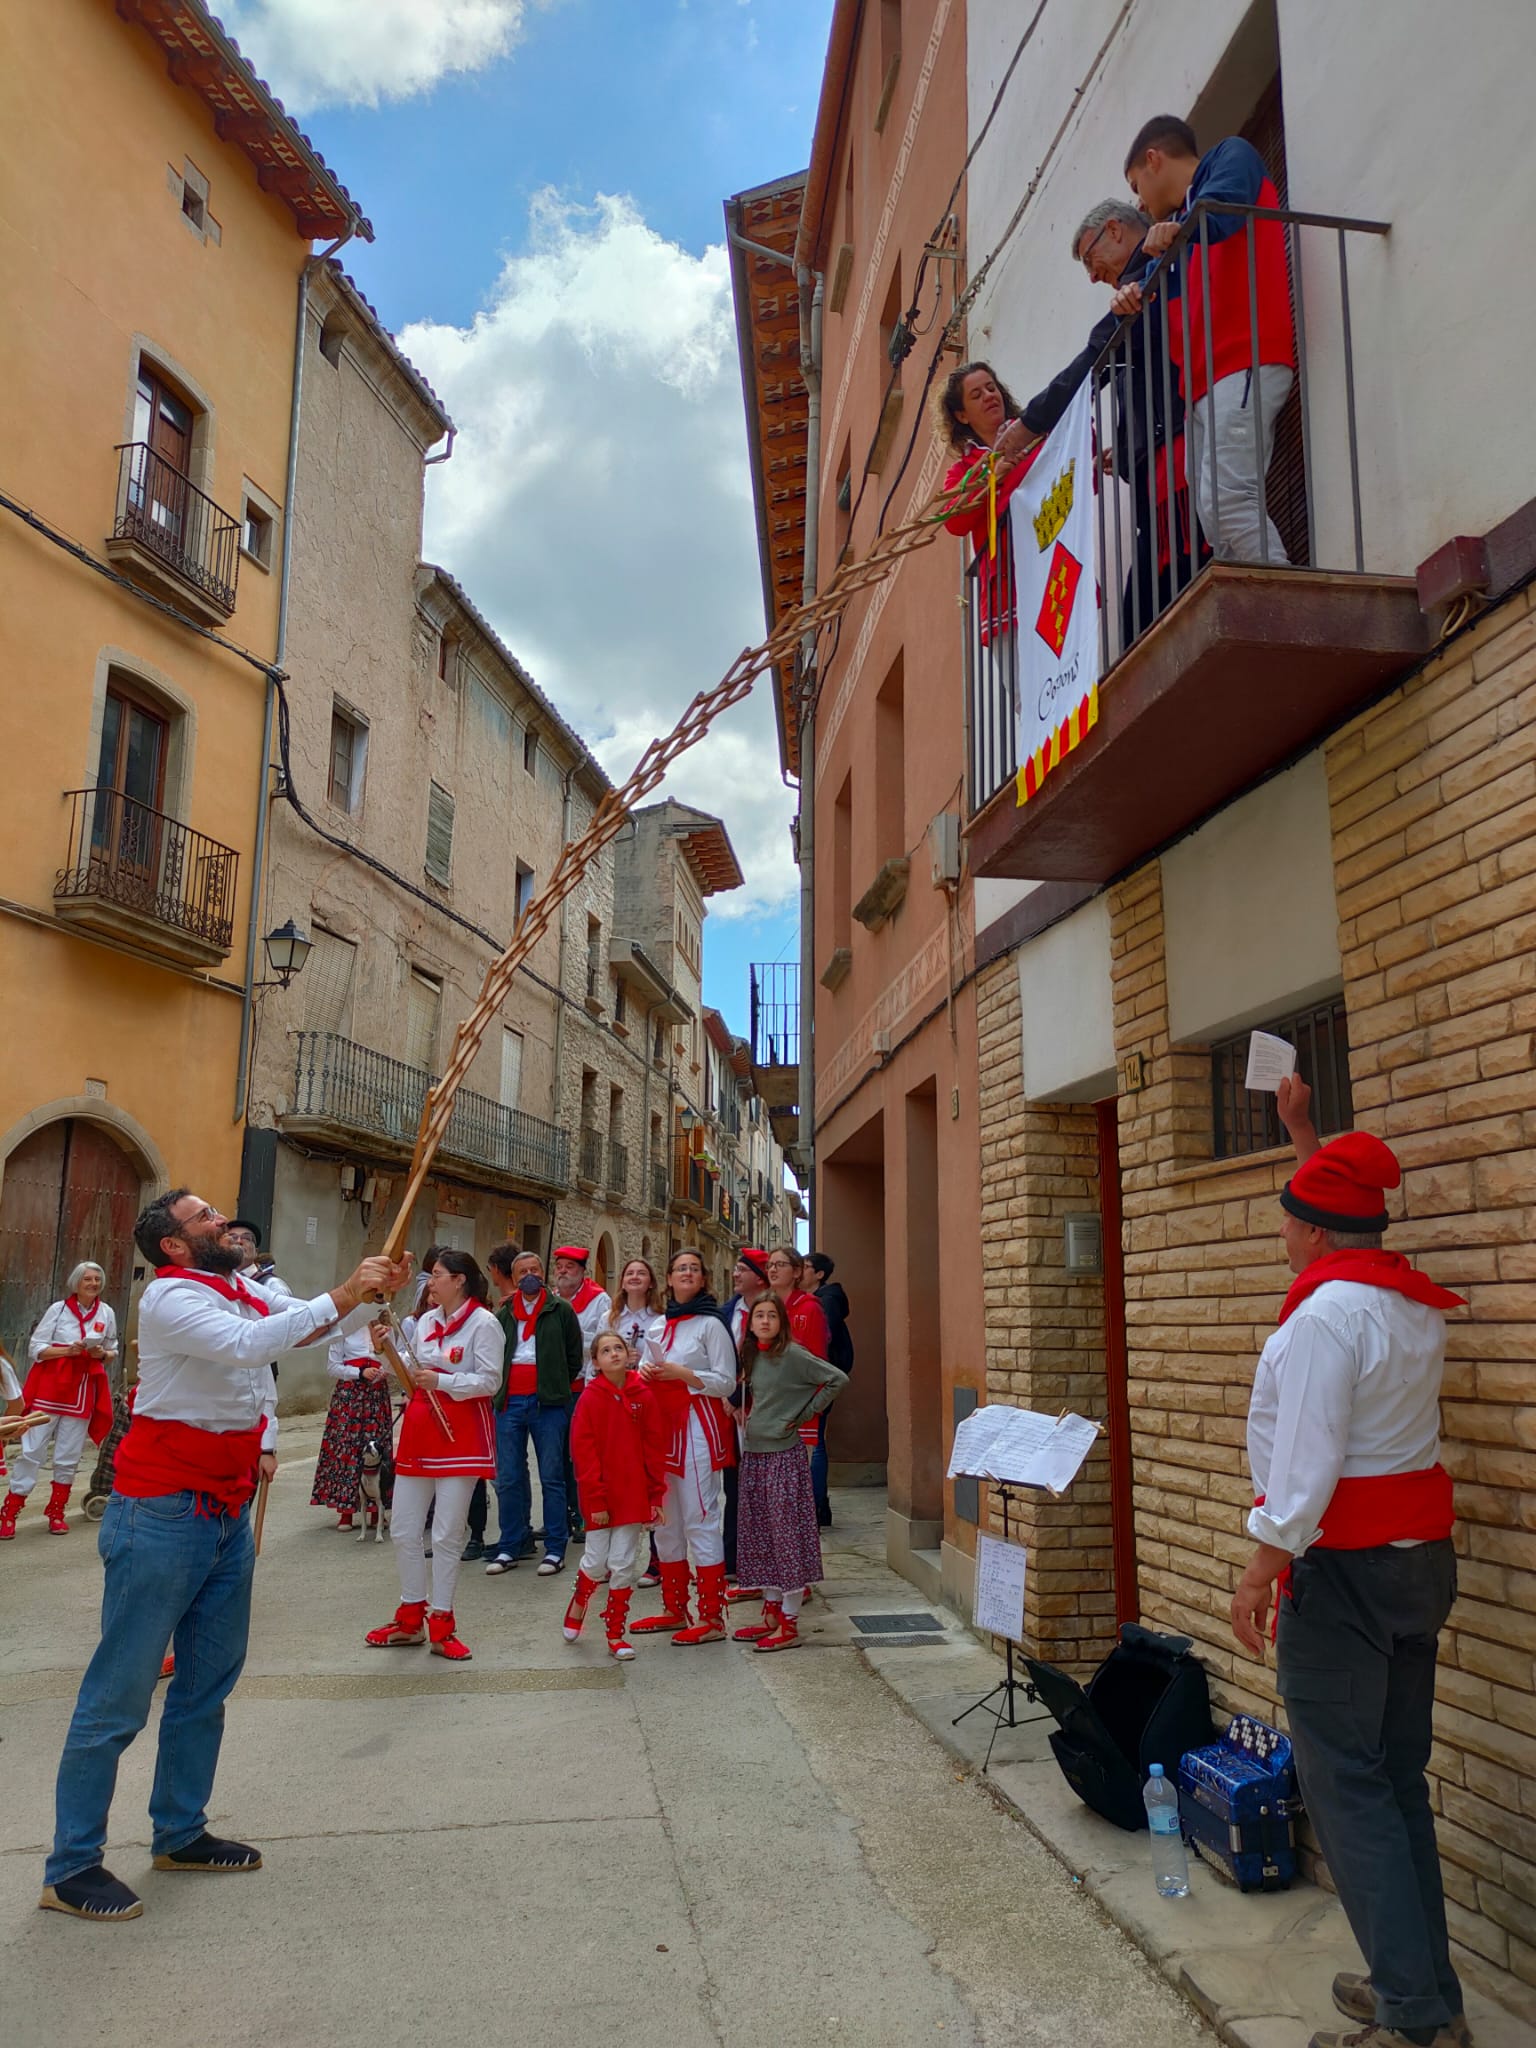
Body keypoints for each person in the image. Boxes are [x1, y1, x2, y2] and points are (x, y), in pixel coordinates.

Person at [40, 1191, 405, 1922]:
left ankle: (180, 1831)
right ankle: (71, 1866)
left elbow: (299, 1325)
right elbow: (251, 1344)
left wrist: (366, 1298)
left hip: (222, 1508)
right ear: (174, 1246)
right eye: (204, 1217)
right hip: (162, 1511)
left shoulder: (239, 1286)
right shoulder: (172, 1297)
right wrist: (345, 1292)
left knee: (207, 1681)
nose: (222, 1222)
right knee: (118, 1695)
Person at [1230, 1079, 1467, 2048]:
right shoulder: (1403, 1303)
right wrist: (1303, 1134)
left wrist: (1260, 1568)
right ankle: (1422, 1990)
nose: (1283, 1235)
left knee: (1349, 1787)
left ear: (1317, 1234)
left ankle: (1414, 2018)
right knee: (1394, 1780)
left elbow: (1307, 1464)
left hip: (1347, 1575)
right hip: (1418, 1565)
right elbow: (1336, 1210)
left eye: (1291, 1223)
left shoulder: (1324, 1320)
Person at [1114, 115, 1295, 566]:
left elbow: (1224, 210)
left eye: (1136, 185)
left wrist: (1181, 230)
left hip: (1243, 359)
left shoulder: (1231, 155)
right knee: (1214, 517)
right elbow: (1160, 296)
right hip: (1202, 386)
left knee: (1228, 500)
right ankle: (1256, 601)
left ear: (1154, 159)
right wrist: (1133, 296)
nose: (1139, 202)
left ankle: (1284, 597)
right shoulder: (1180, 228)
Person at [1021, 198, 1202, 642]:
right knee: (1145, 622)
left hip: (1179, 468)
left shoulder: (1150, 275)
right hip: (1160, 476)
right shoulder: (1137, 288)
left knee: (1150, 620)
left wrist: (1030, 424)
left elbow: (1092, 363)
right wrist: (1124, 451)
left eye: (1089, 258)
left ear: (1116, 231)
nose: (1091, 275)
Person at [365, 1250, 500, 1663]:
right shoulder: (425, 1322)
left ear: (459, 1280)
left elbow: (490, 1381)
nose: (430, 1282)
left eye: (438, 1275)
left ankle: (443, 1623)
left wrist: (441, 1380)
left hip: (461, 1435)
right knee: (405, 1528)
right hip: (421, 1432)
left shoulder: (484, 1323)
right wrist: (386, 1352)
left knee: (446, 1534)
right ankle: (410, 1618)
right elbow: (411, 1372)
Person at [629, 1247, 737, 1645]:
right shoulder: (659, 1325)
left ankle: (712, 1617)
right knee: (665, 1519)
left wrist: (682, 1373)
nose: (687, 1273)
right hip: (661, 1429)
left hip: (695, 1428)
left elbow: (727, 1381)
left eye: (694, 1268)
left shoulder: (712, 1325)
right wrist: (647, 1372)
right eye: (680, 1269)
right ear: (670, 1279)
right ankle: (675, 1608)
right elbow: (647, 1370)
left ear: (703, 1278)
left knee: (700, 1516)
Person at [732, 1294, 848, 1653]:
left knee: (786, 1537)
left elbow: (836, 1379)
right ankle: (770, 1612)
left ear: (782, 1321)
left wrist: (803, 1415)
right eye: (759, 1316)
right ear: (751, 1324)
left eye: (772, 1315)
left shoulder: (794, 1355)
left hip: (784, 1456)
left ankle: (789, 1621)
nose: (765, 1321)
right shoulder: (752, 1355)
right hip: (754, 1454)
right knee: (762, 1535)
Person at [936, 362, 1043, 724]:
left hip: (1051, 564)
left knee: (1074, 657)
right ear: (962, 415)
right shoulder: (963, 471)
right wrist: (989, 478)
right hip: (1005, 590)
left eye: (991, 387)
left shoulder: (1035, 433)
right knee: (1026, 697)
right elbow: (954, 520)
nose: (988, 396)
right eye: (976, 394)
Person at [564, 1329, 668, 1661]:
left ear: (629, 1354)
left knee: (623, 1564)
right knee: (596, 1562)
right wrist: (595, 1500)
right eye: (606, 1350)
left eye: (618, 1348)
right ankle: (580, 1598)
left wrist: (655, 1496)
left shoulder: (643, 1395)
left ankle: (615, 1632)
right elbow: (583, 1453)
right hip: (600, 1496)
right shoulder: (590, 1399)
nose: (613, 1354)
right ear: (595, 1362)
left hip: (633, 1495)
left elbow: (654, 1448)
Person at [483, 1246, 582, 1578]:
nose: (529, 1276)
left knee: (552, 1477)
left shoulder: (561, 1310)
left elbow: (574, 1356)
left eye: (534, 1270)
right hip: (509, 1403)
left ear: (543, 1274)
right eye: (522, 1272)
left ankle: (555, 1548)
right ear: (513, 1279)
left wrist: (556, 1384)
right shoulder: (503, 1314)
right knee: (509, 1476)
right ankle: (511, 1544)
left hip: (548, 1404)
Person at [3, 1263, 118, 1538]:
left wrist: (102, 1354)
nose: (93, 1283)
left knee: (68, 1454)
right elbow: (36, 1348)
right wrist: (68, 1350)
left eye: (97, 1279)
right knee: (31, 1451)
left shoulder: (106, 1312)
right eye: (87, 1279)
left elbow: (112, 1349)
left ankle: (56, 1512)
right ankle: (9, 1513)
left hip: (82, 1391)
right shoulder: (59, 1310)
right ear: (76, 1283)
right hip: (50, 1389)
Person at [310, 1320, 394, 1532]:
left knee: (378, 1448)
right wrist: (359, 1372)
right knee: (347, 1450)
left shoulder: (386, 1327)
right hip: (350, 1396)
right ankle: (345, 1512)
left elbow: (396, 1360)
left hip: (376, 1395)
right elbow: (333, 1367)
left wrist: (385, 1371)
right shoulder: (343, 1328)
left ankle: (377, 1512)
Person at [719, 1248, 771, 1581]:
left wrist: (741, 1398)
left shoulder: (771, 1314)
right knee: (734, 1486)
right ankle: (732, 1560)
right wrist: (728, 1399)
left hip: (761, 1410)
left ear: (759, 1277)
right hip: (730, 1413)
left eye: (742, 1269)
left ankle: (764, 1559)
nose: (736, 1274)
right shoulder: (726, 1313)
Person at [806, 1251, 854, 1531]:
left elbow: (824, 1337)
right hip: (817, 1379)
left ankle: (816, 1506)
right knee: (815, 1441)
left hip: (819, 1382)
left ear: (819, 1274)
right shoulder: (822, 1299)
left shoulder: (826, 1301)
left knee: (815, 1442)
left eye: (805, 1267)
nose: (800, 1271)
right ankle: (818, 1505)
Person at [608, 1256, 661, 1356]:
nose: (635, 1277)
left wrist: (642, 1360)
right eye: (630, 1273)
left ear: (651, 1283)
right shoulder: (608, 1318)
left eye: (641, 1273)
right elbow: (597, 1355)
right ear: (622, 1283)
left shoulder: (660, 1320)